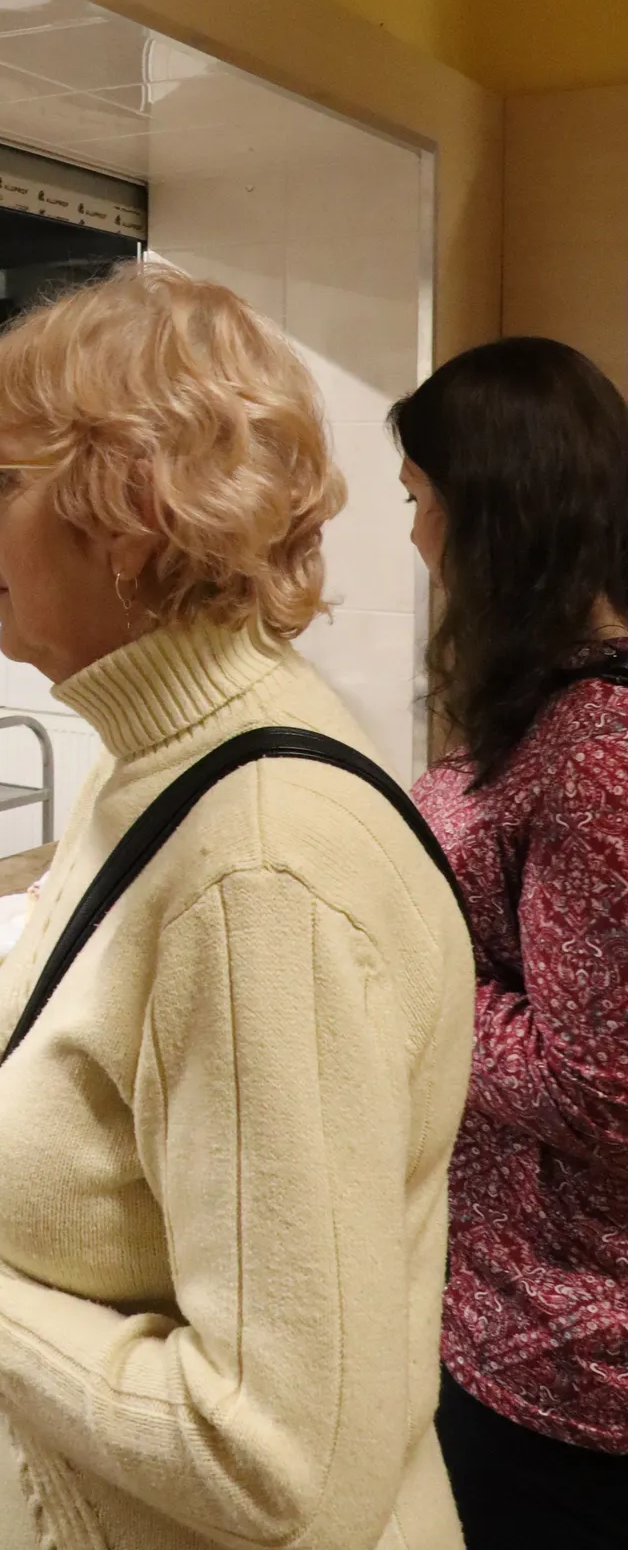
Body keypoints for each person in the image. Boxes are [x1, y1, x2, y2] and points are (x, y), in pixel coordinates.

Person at [0, 261, 475, 1550]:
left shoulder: (257, 873)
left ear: (130, 511)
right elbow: (125, 1079)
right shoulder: (158, 761)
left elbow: (280, 1466)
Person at [394, 337, 628, 1549]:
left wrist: (407, 970)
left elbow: (597, 1087)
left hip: (565, 1365)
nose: (414, 537)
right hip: (511, 1320)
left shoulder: (598, 756)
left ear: (491, 515)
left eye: (419, 500)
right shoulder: (562, 701)